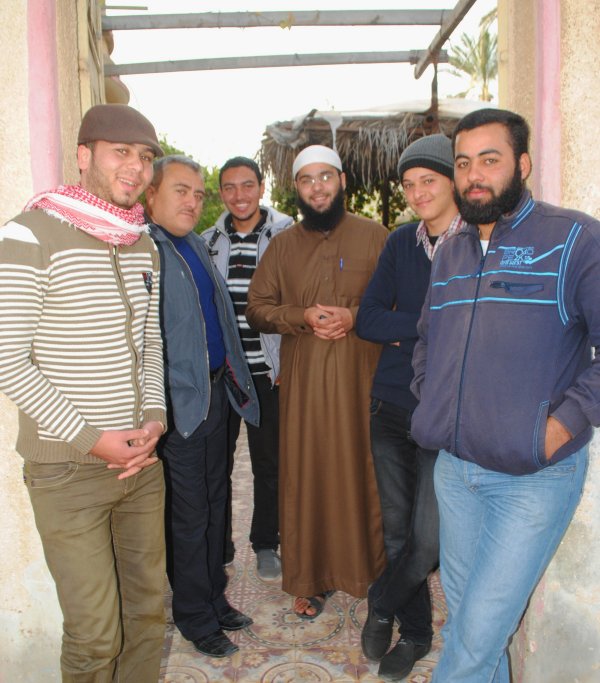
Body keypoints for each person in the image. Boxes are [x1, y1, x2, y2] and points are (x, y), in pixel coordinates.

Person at [410, 108, 599, 683]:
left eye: (489, 160)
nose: (474, 175)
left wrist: (558, 427)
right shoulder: (451, 251)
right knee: (473, 631)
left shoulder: (573, 239)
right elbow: (428, 340)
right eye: (464, 162)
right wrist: (431, 401)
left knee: (471, 644)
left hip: (531, 478)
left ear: (523, 164)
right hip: (456, 472)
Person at [0, 104, 167, 681]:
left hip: (141, 466)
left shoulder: (142, 244)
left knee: (148, 615)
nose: (136, 167)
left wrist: (155, 419)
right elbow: (7, 359)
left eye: (145, 157)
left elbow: (150, 343)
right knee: (95, 636)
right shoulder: (29, 234)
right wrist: (92, 439)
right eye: (121, 152)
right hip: (68, 472)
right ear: (83, 156)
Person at [246, 144, 387, 619]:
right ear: (297, 189)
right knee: (309, 478)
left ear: (342, 181)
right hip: (304, 389)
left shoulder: (376, 237)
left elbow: (401, 304)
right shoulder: (282, 246)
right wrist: (301, 316)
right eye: (307, 180)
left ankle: (370, 573)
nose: (317, 187)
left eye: (325, 177)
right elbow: (257, 308)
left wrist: (354, 316)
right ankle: (315, 578)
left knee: (364, 474)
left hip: (362, 385)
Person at [356, 134, 465, 681]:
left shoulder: (480, 241)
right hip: (391, 405)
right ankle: (417, 633)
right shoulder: (402, 242)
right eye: (409, 183)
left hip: (445, 414)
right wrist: (428, 325)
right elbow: (368, 319)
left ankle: (381, 603)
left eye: (429, 180)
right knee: (398, 533)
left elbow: (475, 328)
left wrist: (409, 329)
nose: (418, 192)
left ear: (454, 181)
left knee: (427, 541)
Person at [146, 155, 258, 658]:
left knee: (215, 503)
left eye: (197, 193)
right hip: (180, 408)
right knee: (189, 517)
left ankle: (214, 597)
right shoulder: (144, 249)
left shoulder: (193, 243)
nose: (193, 201)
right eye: (181, 191)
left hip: (216, 397)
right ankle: (194, 616)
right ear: (151, 195)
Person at [202, 156, 293, 579]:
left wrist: (287, 362)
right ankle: (219, 546)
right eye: (230, 187)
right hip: (224, 375)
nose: (239, 195)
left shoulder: (287, 237)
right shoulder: (207, 242)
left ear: (261, 188)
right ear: (221, 192)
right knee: (215, 464)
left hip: (268, 372)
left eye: (247, 185)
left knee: (269, 464)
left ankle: (265, 544)